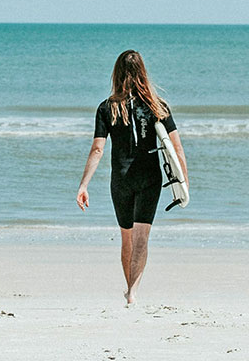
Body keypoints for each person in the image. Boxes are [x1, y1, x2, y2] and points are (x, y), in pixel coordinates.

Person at [75, 50, 188, 305]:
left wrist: (84, 184)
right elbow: (176, 148)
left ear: (116, 73)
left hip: (121, 179)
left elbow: (98, 149)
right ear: (143, 72)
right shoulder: (158, 106)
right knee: (141, 238)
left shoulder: (107, 108)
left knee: (127, 237)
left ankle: (129, 291)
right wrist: (184, 182)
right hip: (149, 178)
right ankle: (133, 292)